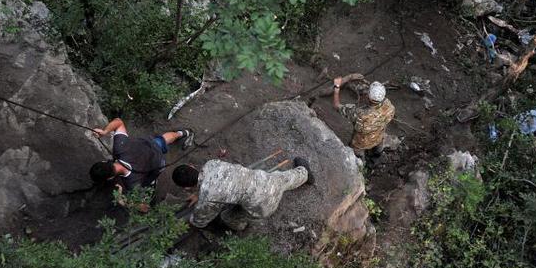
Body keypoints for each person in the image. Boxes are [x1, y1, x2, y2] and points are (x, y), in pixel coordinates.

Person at [172, 158, 313, 230]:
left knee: (227, 216)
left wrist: (192, 221)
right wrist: (200, 192)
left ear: (186, 188)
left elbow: (200, 220)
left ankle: (241, 227)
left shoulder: (208, 197)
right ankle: (305, 173)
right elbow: (214, 180)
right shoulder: (211, 164)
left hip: (263, 205)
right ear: (192, 167)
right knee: (286, 179)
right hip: (267, 179)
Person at [89, 117, 194, 211]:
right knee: (164, 139)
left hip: (158, 163)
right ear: (104, 162)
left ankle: (152, 183)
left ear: (110, 178)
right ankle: (184, 133)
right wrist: (104, 131)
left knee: (149, 182)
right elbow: (119, 122)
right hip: (150, 145)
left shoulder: (132, 182)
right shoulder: (119, 147)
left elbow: (144, 208)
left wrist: (122, 201)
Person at [333, 78, 395, 160]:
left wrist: (336, 87)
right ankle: (377, 155)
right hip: (378, 136)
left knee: (357, 153)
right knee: (378, 145)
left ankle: (360, 163)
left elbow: (336, 105)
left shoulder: (359, 114)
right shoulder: (389, 106)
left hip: (361, 143)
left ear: (368, 96)